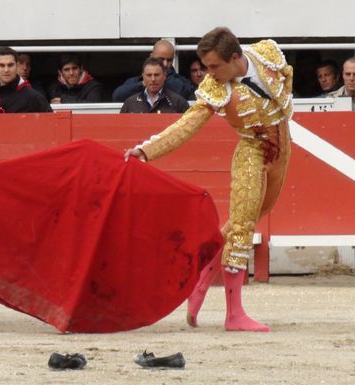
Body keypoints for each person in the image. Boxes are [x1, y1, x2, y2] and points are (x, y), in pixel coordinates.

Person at [125, 27, 294, 332]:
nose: (210, 74)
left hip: (283, 147)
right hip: (252, 150)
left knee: (253, 213)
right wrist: (146, 150)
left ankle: (200, 282)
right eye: (206, 67)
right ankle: (234, 314)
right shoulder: (216, 87)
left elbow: (286, 75)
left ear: (235, 57)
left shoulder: (267, 52)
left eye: (215, 66)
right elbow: (187, 125)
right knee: (242, 225)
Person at [0, 46, 52, 113]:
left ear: (16, 66)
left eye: (10, 65)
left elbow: (51, 123)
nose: (6, 70)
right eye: (1, 65)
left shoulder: (32, 97)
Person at [113, 40, 193, 102]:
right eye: (161, 59)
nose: (165, 64)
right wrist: (144, 83)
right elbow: (117, 97)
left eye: (169, 60)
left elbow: (185, 94)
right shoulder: (136, 81)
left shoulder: (181, 81)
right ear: (152, 57)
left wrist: (165, 76)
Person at [120, 57, 189, 114]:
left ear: (164, 76)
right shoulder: (130, 103)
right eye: (149, 75)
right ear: (143, 76)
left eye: (156, 75)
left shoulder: (179, 103)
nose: (153, 79)